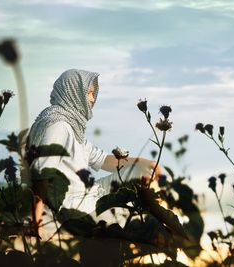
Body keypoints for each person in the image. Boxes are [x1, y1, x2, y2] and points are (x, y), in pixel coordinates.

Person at [28, 69, 159, 233]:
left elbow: (103, 160)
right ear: (72, 92)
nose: (92, 99)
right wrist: (35, 224)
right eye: (88, 93)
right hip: (76, 206)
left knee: (141, 173)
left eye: (93, 93)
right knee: (142, 210)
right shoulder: (58, 126)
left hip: (88, 194)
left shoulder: (71, 125)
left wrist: (142, 163)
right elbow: (41, 175)